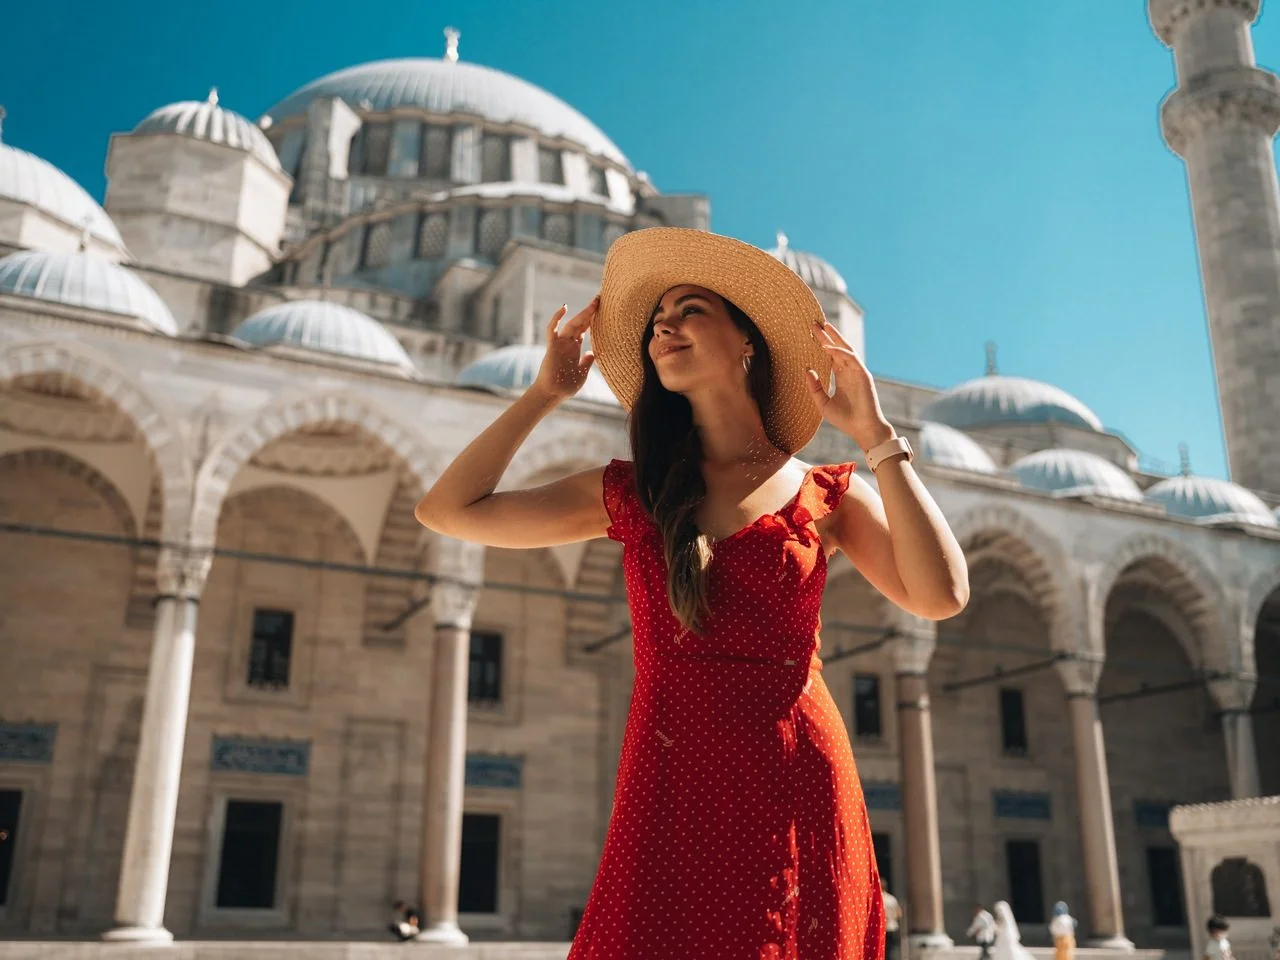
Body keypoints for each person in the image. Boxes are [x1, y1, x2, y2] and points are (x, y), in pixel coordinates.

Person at [415, 227, 969, 959]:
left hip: (797, 775)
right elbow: (449, 511)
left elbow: (941, 596)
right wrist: (544, 394)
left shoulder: (823, 493)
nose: (663, 327)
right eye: (654, 323)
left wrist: (878, 438)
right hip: (672, 782)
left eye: (689, 310)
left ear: (748, 341)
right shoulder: (636, 493)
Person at [881, 878, 903, 960]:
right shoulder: (892, 899)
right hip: (893, 926)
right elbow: (899, 913)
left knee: (884, 950)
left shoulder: (879, 898)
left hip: (883, 928)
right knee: (892, 949)